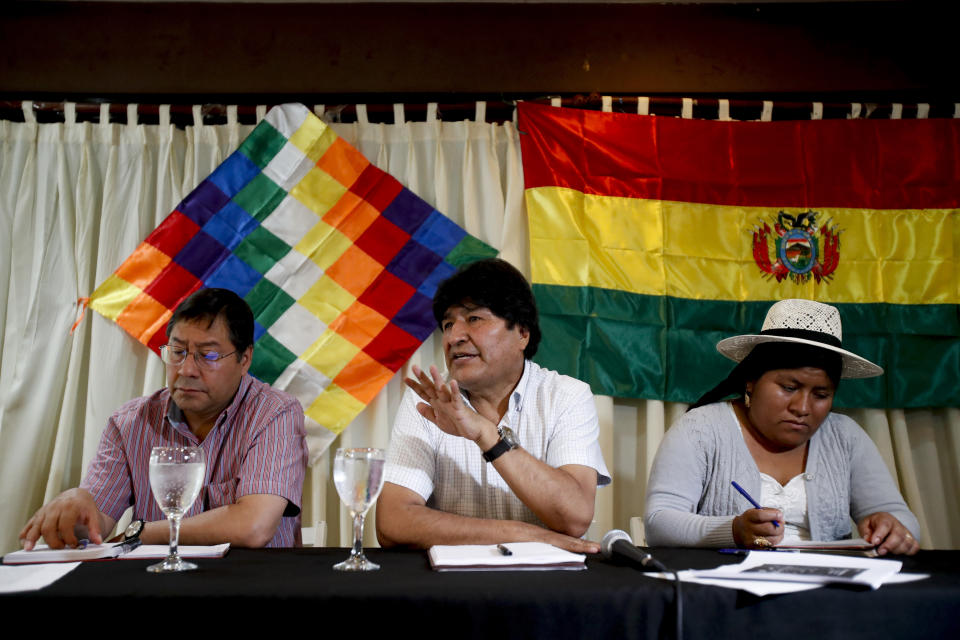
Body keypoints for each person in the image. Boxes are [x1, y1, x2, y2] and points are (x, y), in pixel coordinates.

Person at [20, 288, 308, 549]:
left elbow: (253, 527)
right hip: (157, 584)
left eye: (207, 356)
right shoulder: (130, 422)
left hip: (250, 586)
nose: (186, 369)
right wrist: (75, 509)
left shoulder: (274, 413)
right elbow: (97, 526)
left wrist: (142, 533)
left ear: (244, 359)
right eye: (178, 352)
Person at [644, 298, 921, 556]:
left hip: (829, 593)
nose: (802, 407)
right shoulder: (700, 430)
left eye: (821, 395)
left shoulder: (845, 437)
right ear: (750, 381)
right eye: (789, 388)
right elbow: (659, 522)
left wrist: (892, 527)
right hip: (727, 595)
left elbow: (903, 519)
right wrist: (732, 530)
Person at [376, 259, 610, 553]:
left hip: (544, 586)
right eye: (448, 324)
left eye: (474, 319)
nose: (454, 337)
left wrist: (488, 436)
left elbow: (575, 518)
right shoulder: (428, 402)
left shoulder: (566, 396)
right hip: (449, 589)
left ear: (522, 333)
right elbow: (393, 522)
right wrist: (523, 534)